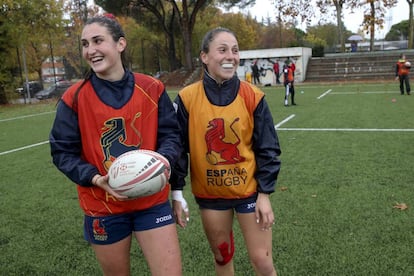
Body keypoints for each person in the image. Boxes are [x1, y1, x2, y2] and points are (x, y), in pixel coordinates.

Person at [49, 14, 183, 276]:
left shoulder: (152, 88)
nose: (91, 50)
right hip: (103, 205)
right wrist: (95, 178)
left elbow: (172, 134)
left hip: (151, 201)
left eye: (98, 41)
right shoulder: (73, 98)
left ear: (120, 44)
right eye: (85, 44)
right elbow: (62, 152)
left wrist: (164, 160)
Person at [171, 27, 281, 276]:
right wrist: (176, 192)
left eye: (234, 50)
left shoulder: (253, 96)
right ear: (204, 56)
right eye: (222, 50)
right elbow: (178, 150)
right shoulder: (187, 98)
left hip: (250, 194)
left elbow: (268, 149)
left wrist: (264, 194)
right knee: (222, 257)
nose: (230, 56)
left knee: (262, 262)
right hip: (211, 196)